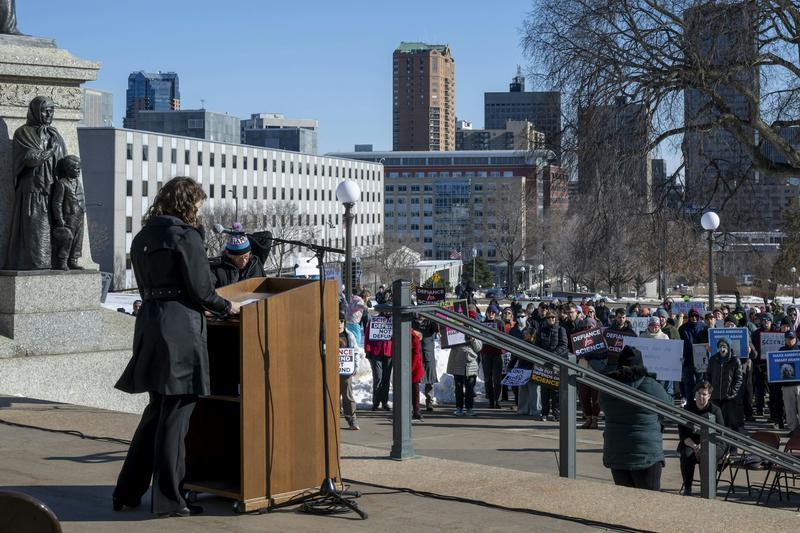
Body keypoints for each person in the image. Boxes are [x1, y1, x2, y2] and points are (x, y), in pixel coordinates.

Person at [113, 177, 241, 518]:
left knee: (156, 411)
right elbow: (202, 290)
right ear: (187, 204)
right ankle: (170, 500)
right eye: (197, 205)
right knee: (177, 414)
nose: (199, 212)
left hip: (151, 324)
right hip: (180, 329)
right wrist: (229, 307)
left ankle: (126, 492)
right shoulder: (186, 236)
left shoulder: (142, 236)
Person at [598, 346, 672, 491]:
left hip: (616, 452)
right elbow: (671, 409)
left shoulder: (607, 386)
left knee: (626, 505)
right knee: (650, 504)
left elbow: (602, 406)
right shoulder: (651, 386)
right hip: (646, 454)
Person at [7, 96, 67, 270]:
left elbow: (63, 160)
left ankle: (63, 261)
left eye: (51, 110)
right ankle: (36, 264)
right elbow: (31, 158)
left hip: (54, 190)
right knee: (36, 232)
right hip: (33, 191)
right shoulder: (23, 133)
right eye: (45, 110)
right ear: (35, 111)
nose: (49, 114)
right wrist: (50, 151)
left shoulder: (54, 134)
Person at [678, 382, 725, 496]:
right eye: (699, 393)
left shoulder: (715, 410)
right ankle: (687, 488)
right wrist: (694, 446)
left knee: (708, 455)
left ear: (709, 396)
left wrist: (704, 445)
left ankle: (709, 489)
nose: (701, 397)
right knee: (686, 455)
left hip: (713, 442)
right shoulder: (688, 409)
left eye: (704, 394)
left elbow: (720, 433)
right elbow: (683, 434)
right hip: (692, 443)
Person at [50, 155, 85, 270]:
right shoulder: (62, 183)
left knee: (77, 240)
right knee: (68, 239)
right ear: (68, 169)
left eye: (79, 168)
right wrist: (59, 219)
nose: (78, 171)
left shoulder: (78, 183)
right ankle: (62, 260)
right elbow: (57, 203)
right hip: (68, 217)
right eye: (76, 168)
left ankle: (73, 260)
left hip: (79, 216)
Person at [209, 223, 265, 288]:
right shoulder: (218, 269)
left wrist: (244, 235)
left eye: (246, 257)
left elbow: (267, 235)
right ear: (230, 256)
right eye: (239, 258)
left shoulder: (255, 263)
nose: (243, 261)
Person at [536, 310, 568, 420]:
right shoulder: (542, 330)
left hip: (556, 363)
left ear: (556, 318)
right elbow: (537, 345)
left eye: (553, 317)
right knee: (544, 389)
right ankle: (544, 413)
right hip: (544, 363)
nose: (551, 319)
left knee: (556, 390)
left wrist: (552, 356)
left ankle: (556, 413)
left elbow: (564, 345)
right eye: (549, 317)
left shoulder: (561, 329)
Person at [707, 339, 744, 432]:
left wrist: (732, 391)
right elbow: (708, 376)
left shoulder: (735, 360)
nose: (722, 348)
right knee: (717, 422)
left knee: (730, 422)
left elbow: (739, 379)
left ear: (728, 347)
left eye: (724, 346)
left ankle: (733, 444)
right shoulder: (713, 359)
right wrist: (709, 390)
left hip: (728, 397)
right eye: (720, 346)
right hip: (715, 396)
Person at [510, 311, 541, 418]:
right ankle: (522, 409)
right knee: (523, 389)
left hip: (533, 367)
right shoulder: (520, 340)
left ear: (532, 335)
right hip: (522, 366)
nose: (524, 335)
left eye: (526, 334)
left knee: (534, 390)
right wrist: (511, 364)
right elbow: (515, 355)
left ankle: (535, 409)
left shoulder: (535, 343)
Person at [363, 312, 392, 411]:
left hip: (389, 353)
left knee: (386, 378)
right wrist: (367, 349)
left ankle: (385, 402)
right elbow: (367, 335)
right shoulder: (374, 320)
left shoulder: (393, 320)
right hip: (376, 352)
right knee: (378, 377)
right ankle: (376, 402)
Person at [447, 336, 482, 416]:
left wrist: (473, 339)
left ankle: (469, 408)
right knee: (458, 387)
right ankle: (459, 408)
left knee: (470, 388)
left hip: (470, 363)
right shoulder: (455, 329)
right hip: (457, 362)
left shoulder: (474, 330)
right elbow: (448, 344)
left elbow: (478, 348)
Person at [480, 307, 505, 409]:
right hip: (486, 353)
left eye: (493, 313)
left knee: (497, 378)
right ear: (486, 313)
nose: (491, 314)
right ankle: (490, 399)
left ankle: (497, 400)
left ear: (495, 314)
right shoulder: (482, 323)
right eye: (489, 312)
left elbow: (504, 338)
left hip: (497, 353)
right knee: (487, 378)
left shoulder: (500, 323)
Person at [679, 309, 707, 402]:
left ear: (698, 317)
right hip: (687, 360)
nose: (694, 318)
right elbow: (679, 343)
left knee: (700, 383)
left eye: (696, 316)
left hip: (701, 360)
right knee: (688, 384)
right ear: (689, 317)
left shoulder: (703, 327)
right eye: (692, 316)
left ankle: (700, 402)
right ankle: (689, 403)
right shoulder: (683, 328)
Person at [338, 313, 360, 430]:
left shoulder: (349, 335)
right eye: (337, 321)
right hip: (331, 372)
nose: (339, 324)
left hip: (345, 371)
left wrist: (355, 366)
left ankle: (352, 419)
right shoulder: (328, 334)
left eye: (341, 321)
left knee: (347, 395)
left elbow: (355, 351)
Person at [413, 315, 439, 412]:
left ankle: (429, 401)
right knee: (415, 380)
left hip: (428, 355)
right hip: (416, 355)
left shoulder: (431, 323)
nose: (421, 315)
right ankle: (415, 403)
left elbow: (438, 329)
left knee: (429, 380)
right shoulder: (413, 322)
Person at [780, 331, 800, 432]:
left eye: (792, 338)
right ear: (785, 339)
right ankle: (793, 430)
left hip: (799, 385)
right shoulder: (781, 351)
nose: (790, 340)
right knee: (789, 409)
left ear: (795, 338)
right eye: (788, 338)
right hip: (787, 385)